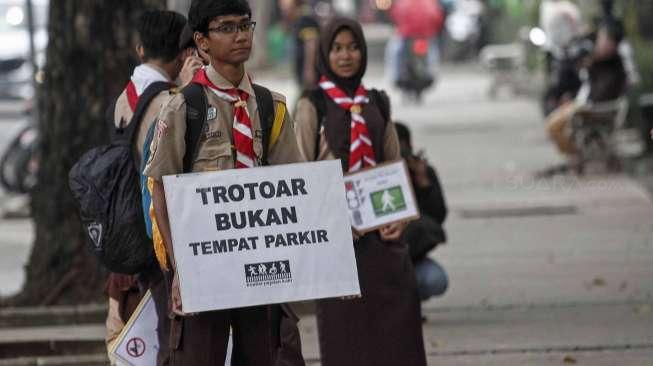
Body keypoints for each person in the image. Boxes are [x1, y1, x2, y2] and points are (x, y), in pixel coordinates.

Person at [143, 1, 305, 364]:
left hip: (261, 263)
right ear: (202, 41)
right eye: (227, 28)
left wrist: (321, 267)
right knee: (201, 355)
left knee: (262, 352)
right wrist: (179, 269)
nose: (240, 36)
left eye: (244, 26)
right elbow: (162, 190)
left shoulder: (269, 105)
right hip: (203, 267)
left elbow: (297, 186)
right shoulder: (184, 107)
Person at [293, 17, 427, 366]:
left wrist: (400, 220)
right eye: (337, 48)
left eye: (353, 47)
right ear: (325, 53)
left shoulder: (377, 102)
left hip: (384, 241)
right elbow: (299, 177)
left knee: (399, 329)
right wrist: (327, 222)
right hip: (338, 244)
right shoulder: (312, 105)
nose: (346, 55)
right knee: (347, 337)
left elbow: (394, 166)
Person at [105, 10, 203, 365]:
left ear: (140, 48)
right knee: (173, 337)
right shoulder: (169, 102)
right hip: (161, 235)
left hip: (130, 230)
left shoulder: (125, 98)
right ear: (183, 53)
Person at [545, 19, 627, 160]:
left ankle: (579, 155)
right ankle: (578, 154)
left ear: (611, 44)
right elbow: (586, 85)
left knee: (553, 126)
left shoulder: (613, 66)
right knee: (552, 125)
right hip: (584, 105)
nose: (599, 43)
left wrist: (579, 105)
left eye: (602, 39)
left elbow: (600, 94)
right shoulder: (598, 60)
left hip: (592, 109)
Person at [395, 122, 449, 303]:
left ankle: (409, 306)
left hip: (411, 256)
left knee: (436, 280)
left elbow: (437, 217)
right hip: (381, 260)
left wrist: (422, 182)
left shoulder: (422, 172)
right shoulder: (375, 176)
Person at [278, 0, 319, 90]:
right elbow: (285, 31)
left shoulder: (306, 19)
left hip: (308, 69)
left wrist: (309, 70)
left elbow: (311, 44)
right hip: (301, 68)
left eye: (285, 5)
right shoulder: (297, 19)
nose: (283, 8)